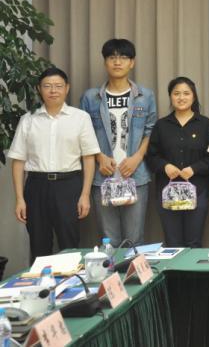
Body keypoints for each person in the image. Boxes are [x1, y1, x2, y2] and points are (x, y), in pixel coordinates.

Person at [9, 67, 100, 263]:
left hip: (69, 186)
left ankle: (72, 282)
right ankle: (41, 282)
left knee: (70, 245)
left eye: (58, 86)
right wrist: (20, 199)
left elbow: (88, 158)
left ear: (67, 88)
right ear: (39, 89)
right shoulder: (28, 120)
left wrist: (85, 195)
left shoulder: (80, 118)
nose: (53, 91)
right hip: (36, 186)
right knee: (39, 245)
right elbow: (18, 161)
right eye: (47, 86)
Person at [80, 38, 156, 247]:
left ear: (132, 62)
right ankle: (111, 271)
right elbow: (84, 133)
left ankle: (134, 271)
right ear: (105, 62)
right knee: (108, 240)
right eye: (112, 57)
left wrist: (137, 158)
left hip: (135, 175)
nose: (117, 62)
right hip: (102, 176)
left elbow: (151, 130)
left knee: (135, 239)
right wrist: (99, 157)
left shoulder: (145, 96)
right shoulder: (91, 97)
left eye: (123, 57)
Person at [146, 77, 209, 248]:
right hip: (168, 191)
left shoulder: (206, 125)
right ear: (170, 97)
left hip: (198, 190)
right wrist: (165, 166)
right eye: (176, 93)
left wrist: (195, 169)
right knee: (173, 242)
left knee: (194, 242)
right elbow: (151, 156)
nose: (181, 97)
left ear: (194, 96)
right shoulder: (161, 125)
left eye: (186, 93)